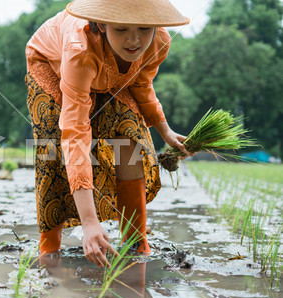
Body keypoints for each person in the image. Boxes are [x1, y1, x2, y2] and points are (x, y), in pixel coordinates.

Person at [25, 0, 194, 268]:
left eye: (143, 28)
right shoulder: (79, 50)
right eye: (122, 29)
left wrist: (165, 130)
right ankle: (50, 248)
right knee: (53, 147)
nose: (134, 40)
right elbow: (75, 132)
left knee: (129, 134)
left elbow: (140, 82)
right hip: (52, 63)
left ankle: (135, 243)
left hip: (106, 72)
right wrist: (89, 224)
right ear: (102, 25)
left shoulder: (159, 41)